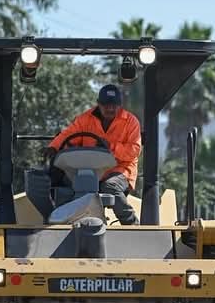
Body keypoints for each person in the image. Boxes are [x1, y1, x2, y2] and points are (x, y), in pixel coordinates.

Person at [43, 84, 142, 225]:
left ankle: (131, 224)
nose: (110, 109)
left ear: (120, 105)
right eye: (106, 105)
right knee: (62, 181)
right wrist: (54, 147)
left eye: (114, 105)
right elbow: (68, 134)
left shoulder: (131, 122)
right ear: (98, 104)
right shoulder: (85, 119)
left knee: (110, 186)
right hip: (88, 170)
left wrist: (111, 147)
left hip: (120, 169)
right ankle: (62, 222)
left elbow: (134, 150)